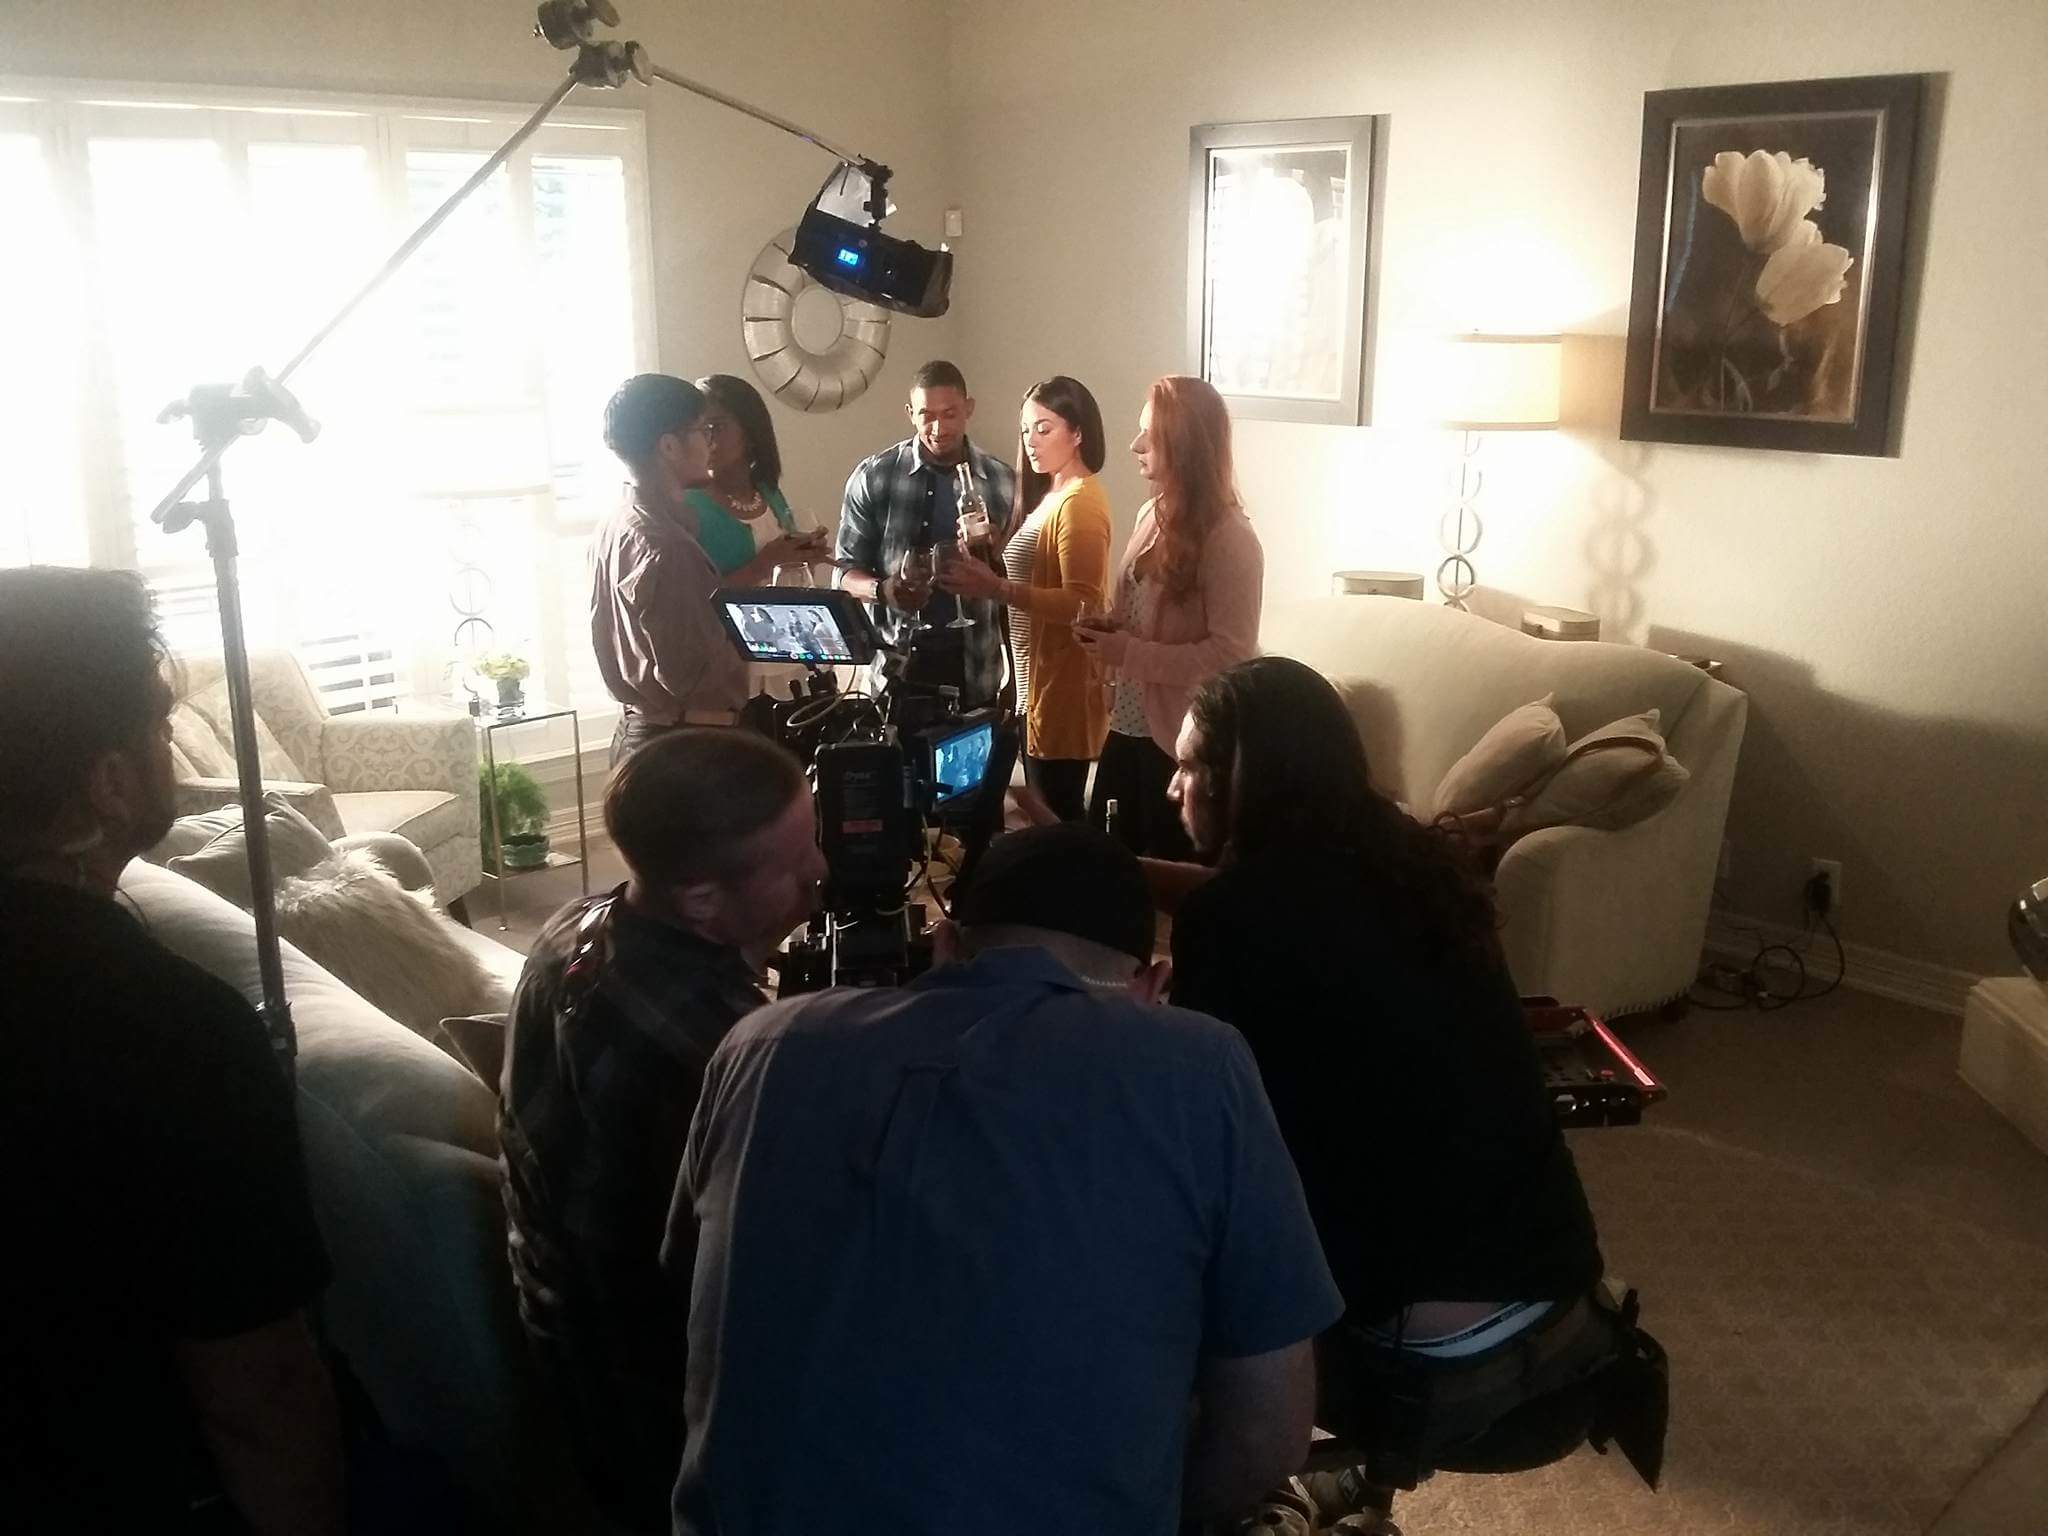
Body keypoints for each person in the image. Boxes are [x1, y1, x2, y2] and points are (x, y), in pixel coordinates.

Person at [664, 823, 1344, 1536]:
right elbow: (1267, 1437)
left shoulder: (758, 1043)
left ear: (945, 944)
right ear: (1153, 985)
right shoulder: (1202, 1065)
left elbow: (682, 1295)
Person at [1164, 657, 1615, 1523]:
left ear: (1240, 779)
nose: (1172, 786)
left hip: (1428, 1366)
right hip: (1562, 1304)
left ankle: (1220, 1499)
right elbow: (1279, 911)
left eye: (1188, 766)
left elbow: (1195, 1123)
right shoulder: (1414, 861)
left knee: (1162, 1253)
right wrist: (1116, 873)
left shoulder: (1232, 922)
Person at [0, 566, 344, 1535]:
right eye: (158, 730)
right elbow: (259, 1392)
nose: (169, 752)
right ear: (109, 784)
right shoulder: (167, 1030)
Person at [498, 729, 825, 1532]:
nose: (820, 870)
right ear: (701, 900)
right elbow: (779, 1265)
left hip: (560, 1319)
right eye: (794, 862)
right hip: (645, 1394)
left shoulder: (575, 923)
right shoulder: (723, 1050)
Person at [1076, 375, 1263, 859]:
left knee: (1160, 873)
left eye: (1150, 434)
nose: (1135, 444)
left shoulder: (1231, 539)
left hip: (1179, 743)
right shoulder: (1150, 514)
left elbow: (1230, 656)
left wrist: (1129, 653)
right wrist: (1111, 627)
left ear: (1183, 444)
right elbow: (1140, 615)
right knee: (1106, 862)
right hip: (1127, 725)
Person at [936, 374, 1112, 821]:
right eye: (1025, 430)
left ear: (1078, 433)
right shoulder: (1051, 494)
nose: (1031, 441)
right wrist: (991, 553)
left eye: (1044, 429)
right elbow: (1034, 580)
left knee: (1057, 819)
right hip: (1031, 688)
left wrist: (996, 587)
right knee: (1040, 815)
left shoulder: (1080, 502)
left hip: (1061, 693)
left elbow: (1081, 604)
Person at [835, 359, 1017, 707]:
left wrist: (1016, 679)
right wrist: (882, 590)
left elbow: (1018, 587)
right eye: (926, 415)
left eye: (949, 414)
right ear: (910, 414)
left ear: (969, 409)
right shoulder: (875, 476)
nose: (938, 428)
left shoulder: (1003, 483)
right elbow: (842, 573)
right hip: (895, 670)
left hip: (977, 666)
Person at [592, 373, 748, 764]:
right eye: (702, 431)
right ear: (669, 446)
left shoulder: (616, 522)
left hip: (639, 733)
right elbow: (693, 675)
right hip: (685, 746)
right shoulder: (668, 548)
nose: (710, 444)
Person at [683, 373, 831, 585]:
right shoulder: (689, 504)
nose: (708, 439)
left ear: (751, 431)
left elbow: (792, 580)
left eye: (716, 427)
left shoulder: (769, 493)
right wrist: (764, 563)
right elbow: (692, 596)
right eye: (701, 430)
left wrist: (806, 558)